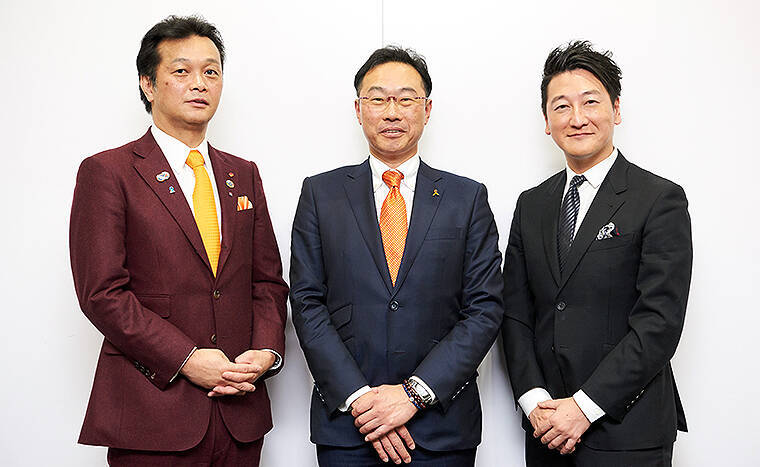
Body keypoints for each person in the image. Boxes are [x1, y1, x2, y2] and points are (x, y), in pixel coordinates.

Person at [69, 15, 288, 465]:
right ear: (148, 84)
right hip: (152, 416)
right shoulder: (108, 172)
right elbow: (102, 294)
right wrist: (187, 358)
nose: (199, 83)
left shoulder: (243, 173)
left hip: (239, 416)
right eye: (182, 71)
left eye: (211, 71)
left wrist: (266, 351)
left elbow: (267, 282)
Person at [289, 46, 504, 466]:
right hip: (348, 426)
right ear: (358, 109)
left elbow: (485, 308)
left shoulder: (467, 197)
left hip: (441, 429)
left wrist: (413, 395)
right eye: (378, 99)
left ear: (427, 109)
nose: (392, 112)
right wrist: (361, 400)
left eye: (406, 99)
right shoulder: (320, 194)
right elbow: (306, 301)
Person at [501, 40, 692, 466]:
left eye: (590, 102)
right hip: (546, 429)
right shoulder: (531, 204)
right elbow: (515, 313)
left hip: (627, 432)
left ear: (616, 109)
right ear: (547, 121)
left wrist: (583, 407)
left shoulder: (659, 199)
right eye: (562, 106)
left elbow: (659, 322)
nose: (577, 118)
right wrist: (534, 401)